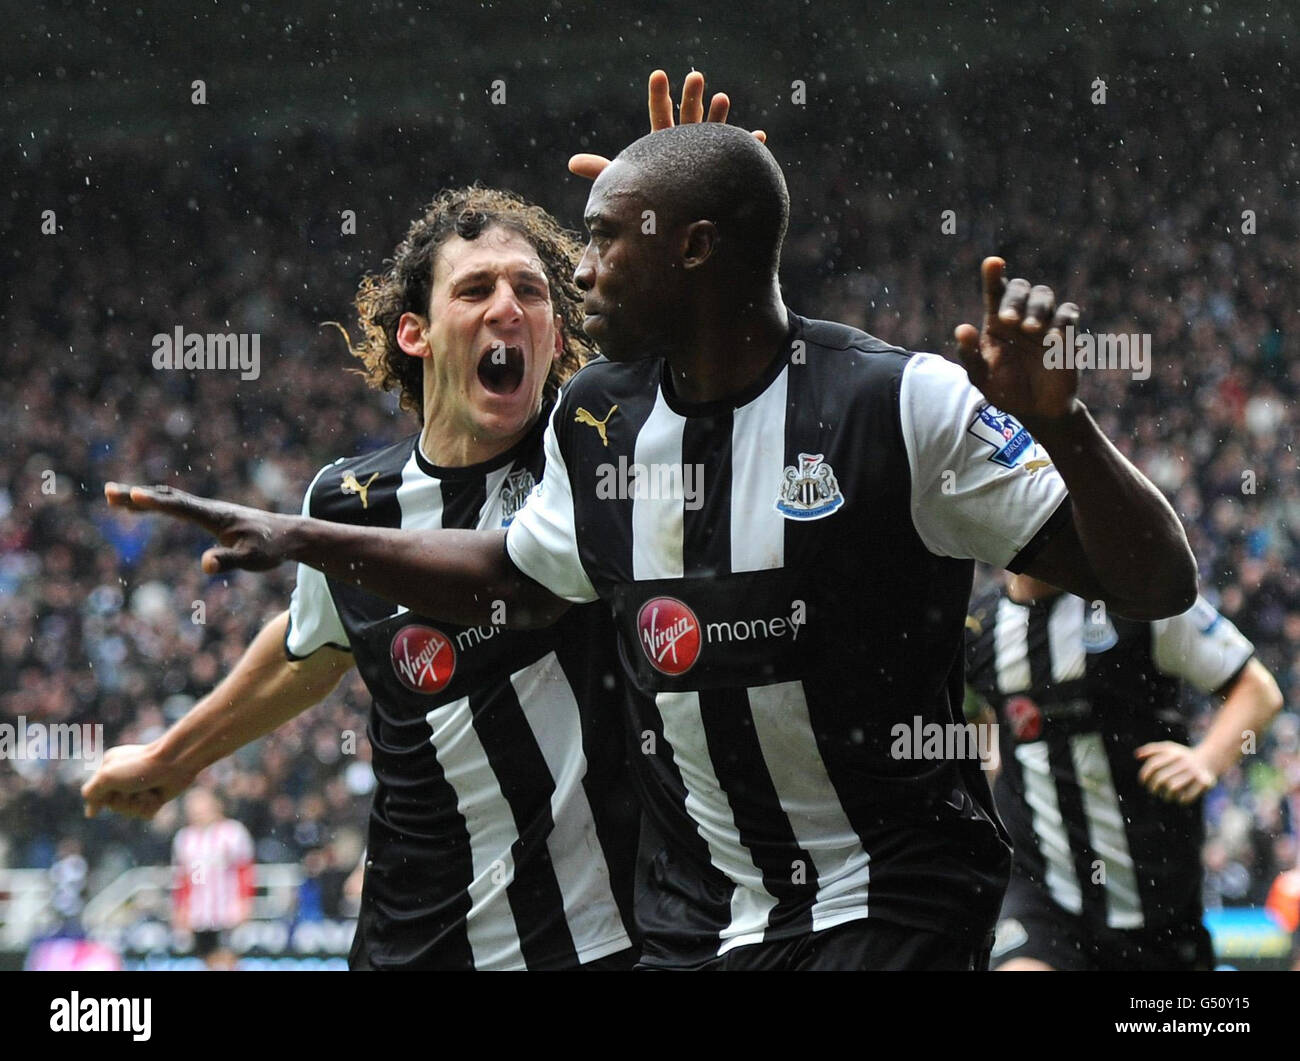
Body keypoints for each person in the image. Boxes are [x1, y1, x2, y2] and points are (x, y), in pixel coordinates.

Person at [99, 116, 1198, 970]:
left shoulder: (786, 413)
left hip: (777, 906)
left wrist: (1062, 425)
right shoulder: (480, 462)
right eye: (482, 286)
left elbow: (1152, 577)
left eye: (573, 261)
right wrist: (280, 573)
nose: (559, 286)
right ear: (414, 330)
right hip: (573, 923)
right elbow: (395, 618)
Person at [84, 73, 752, 972]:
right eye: (475, 289)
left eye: (533, 290)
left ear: (558, 335)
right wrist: (171, 759)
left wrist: (713, 242)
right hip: (411, 941)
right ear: (416, 334)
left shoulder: (603, 452)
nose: (509, 307)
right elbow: (310, 645)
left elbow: (723, 387)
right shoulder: (349, 504)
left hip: (595, 942)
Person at [965, 572, 1283, 971]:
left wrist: (1206, 760)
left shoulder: (1142, 602)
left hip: (1157, 904)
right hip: (1042, 893)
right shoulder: (977, 627)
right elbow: (966, 720)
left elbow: (1258, 691)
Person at [171, 787, 255, 969]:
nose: (196, 810)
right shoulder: (184, 838)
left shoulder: (233, 832)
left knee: (228, 957)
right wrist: (181, 907)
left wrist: (245, 902)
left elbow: (244, 870)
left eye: (200, 804)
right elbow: (184, 878)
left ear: (214, 805)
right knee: (207, 957)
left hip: (227, 910)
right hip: (199, 913)